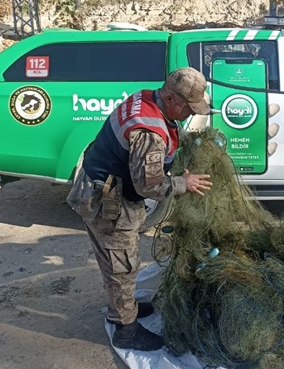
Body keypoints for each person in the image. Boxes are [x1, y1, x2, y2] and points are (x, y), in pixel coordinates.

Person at [67, 67, 213, 350]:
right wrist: (183, 183)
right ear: (170, 98)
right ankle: (125, 329)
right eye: (188, 108)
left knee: (118, 263)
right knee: (121, 266)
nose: (191, 114)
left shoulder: (147, 98)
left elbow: (164, 134)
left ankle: (126, 308)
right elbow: (149, 185)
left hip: (100, 183)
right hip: (107, 202)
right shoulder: (148, 132)